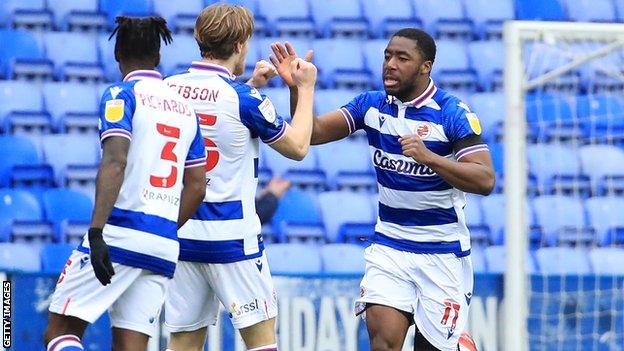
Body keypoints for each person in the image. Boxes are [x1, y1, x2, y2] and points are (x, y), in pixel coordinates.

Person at [269, 28, 494, 351]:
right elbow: (313, 133)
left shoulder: (452, 113)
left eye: (402, 58)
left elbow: (484, 179)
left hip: (442, 252)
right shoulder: (372, 106)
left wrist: (428, 157)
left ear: (425, 67)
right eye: (388, 56)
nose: (390, 64)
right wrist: (300, 89)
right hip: (390, 245)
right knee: (383, 343)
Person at [43, 16, 207, 351]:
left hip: (119, 234)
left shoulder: (121, 94)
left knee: (60, 331)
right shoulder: (186, 110)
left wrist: (96, 231)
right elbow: (198, 186)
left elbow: (116, 160)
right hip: (161, 245)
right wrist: (163, 230)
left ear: (118, 55)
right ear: (158, 58)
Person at [163, 3, 317, 351]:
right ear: (239, 46)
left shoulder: (168, 88)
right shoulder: (244, 99)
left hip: (182, 233)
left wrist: (250, 84)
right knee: (261, 343)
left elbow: (211, 117)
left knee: (183, 343)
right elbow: (298, 147)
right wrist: (305, 89)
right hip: (232, 239)